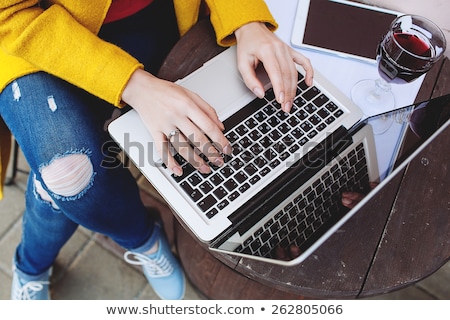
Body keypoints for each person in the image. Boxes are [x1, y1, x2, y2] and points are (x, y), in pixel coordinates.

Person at [0, 0, 313, 300]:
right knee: (66, 174)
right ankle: (143, 240)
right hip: (35, 31)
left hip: (160, 14)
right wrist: (134, 85)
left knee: (59, 180)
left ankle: (30, 267)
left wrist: (247, 19)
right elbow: (10, 11)